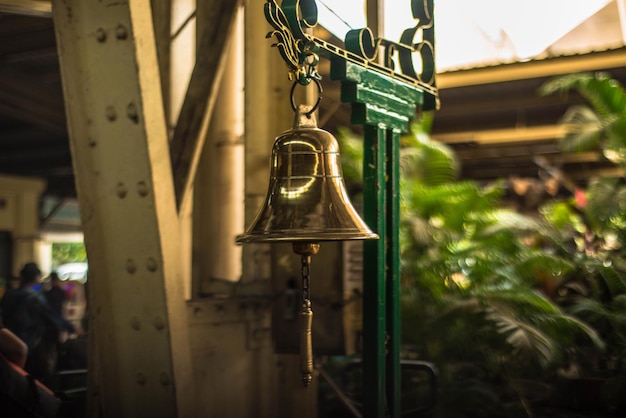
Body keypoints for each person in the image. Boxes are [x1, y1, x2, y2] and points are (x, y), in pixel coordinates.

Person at [0, 262, 77, 379]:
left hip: (8, 347)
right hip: (29, 348)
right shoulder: (36, 298)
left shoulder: (9, 295)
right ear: (36, 278)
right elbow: (53, 317)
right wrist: (72, 328)